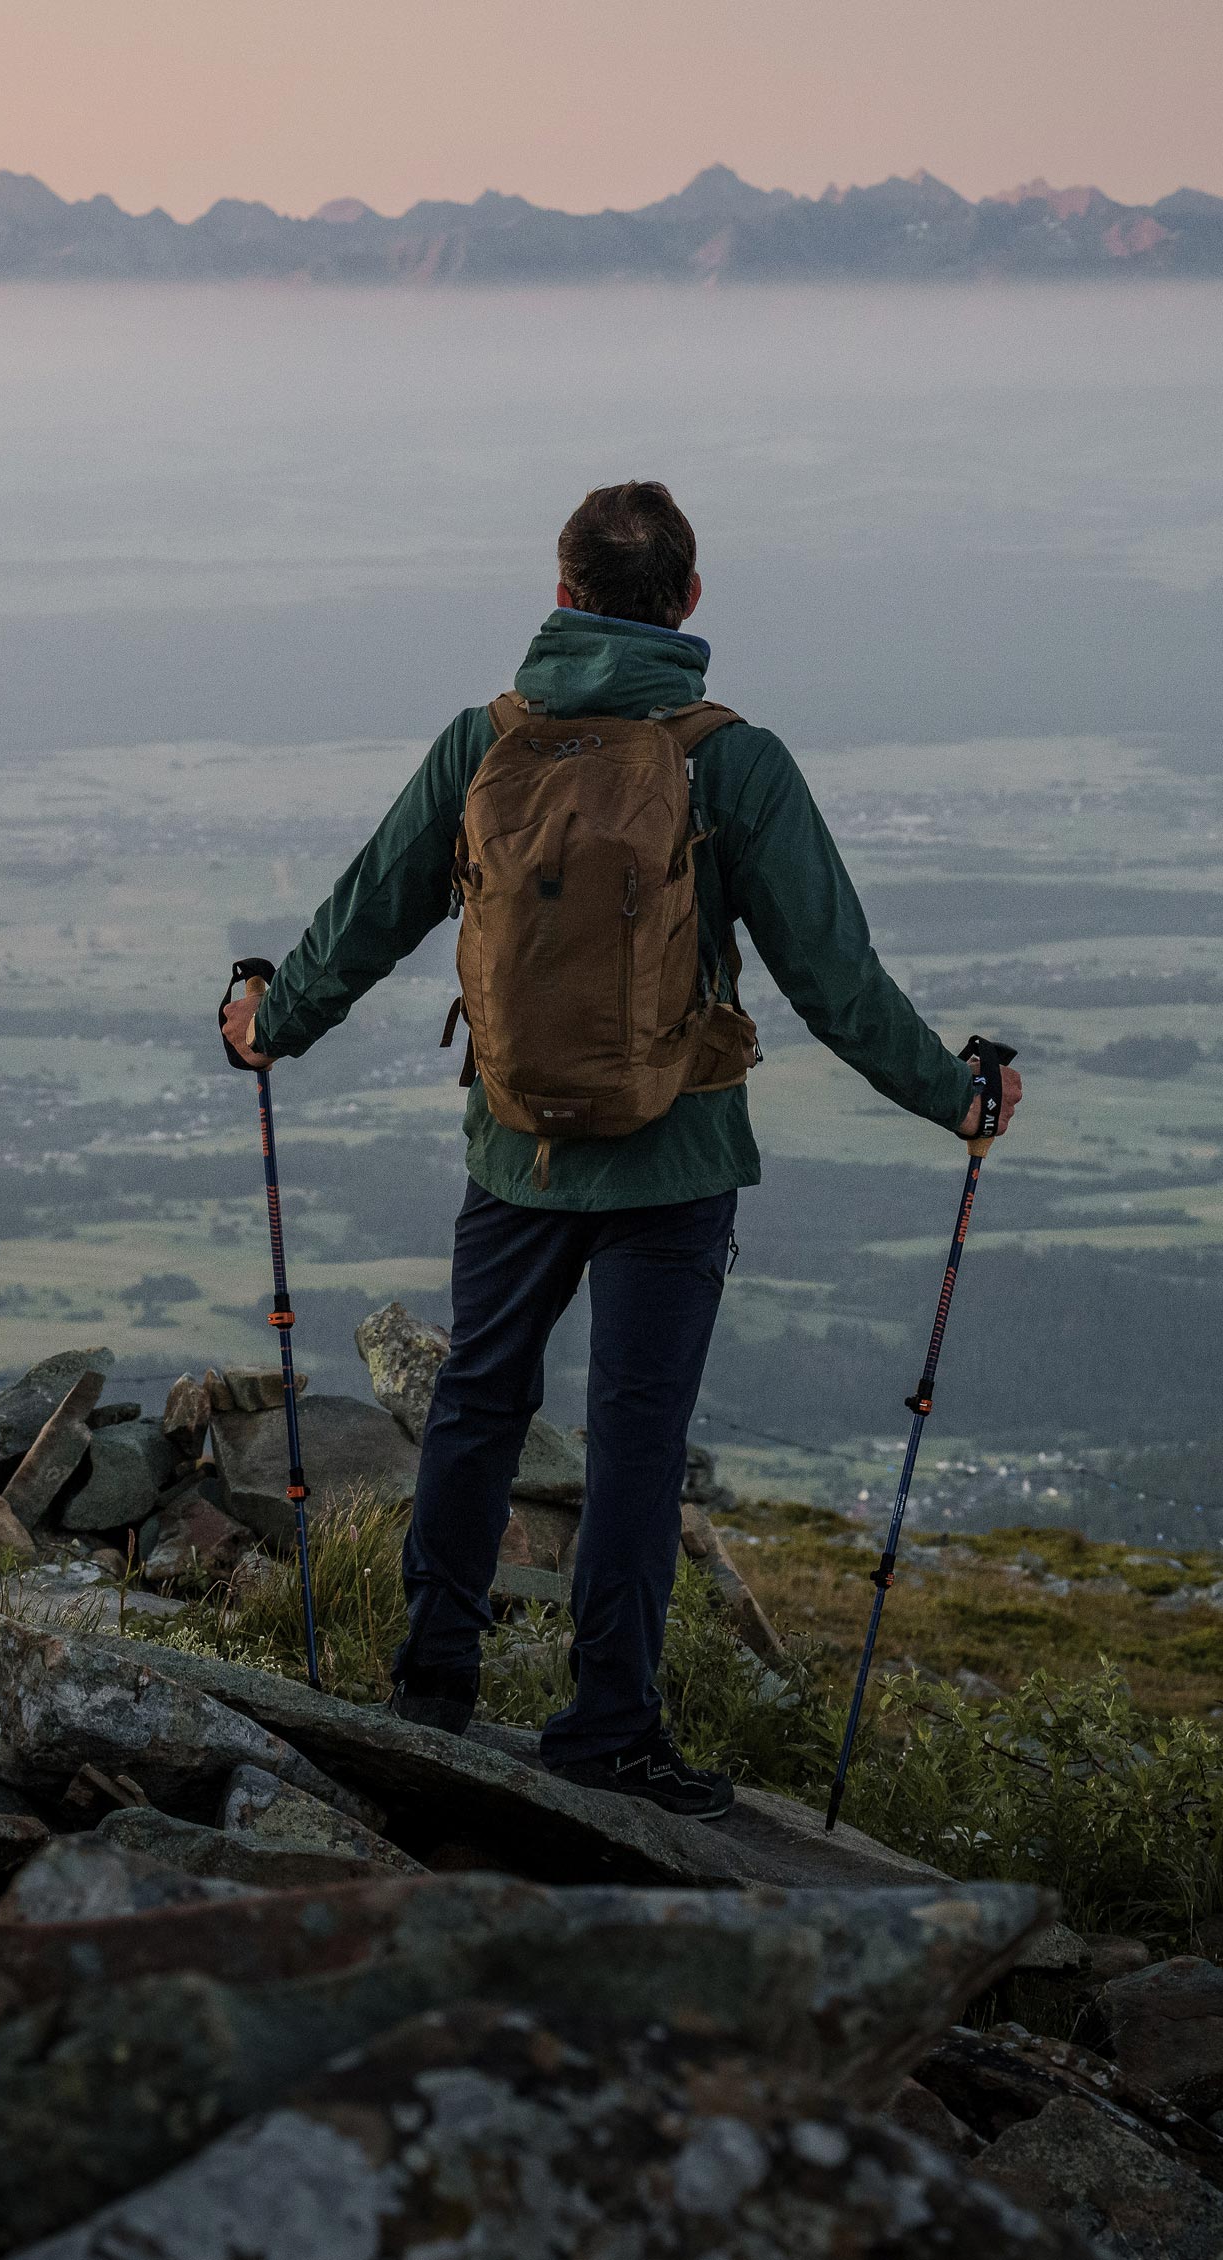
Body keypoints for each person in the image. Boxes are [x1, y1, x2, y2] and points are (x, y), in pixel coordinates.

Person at [219, 481, 1021, 1816]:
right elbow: (836, 980)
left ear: (561, 592)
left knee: (479, 1400)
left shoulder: (486, 743)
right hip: (677, 1156)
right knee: (636, 1440)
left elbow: (368, 913)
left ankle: (431, 1687)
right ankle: (609, 1730)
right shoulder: (732, 763)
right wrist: (958, 1097)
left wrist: (272, 1021)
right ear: (689, 601)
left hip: (515, 1150)